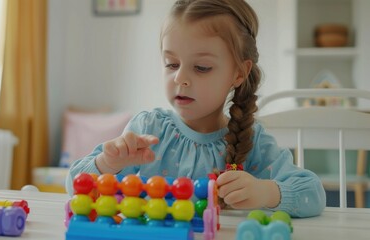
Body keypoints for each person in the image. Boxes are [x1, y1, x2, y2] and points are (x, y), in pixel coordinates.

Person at [66, 0, 326, 218]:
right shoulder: (148, 130)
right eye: (171, 63)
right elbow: (73, 186)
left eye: (201, 67)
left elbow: (313, 194)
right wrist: (106, 164)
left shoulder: (253, 142)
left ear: (238, 73)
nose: (180, 78)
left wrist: (267, 192)